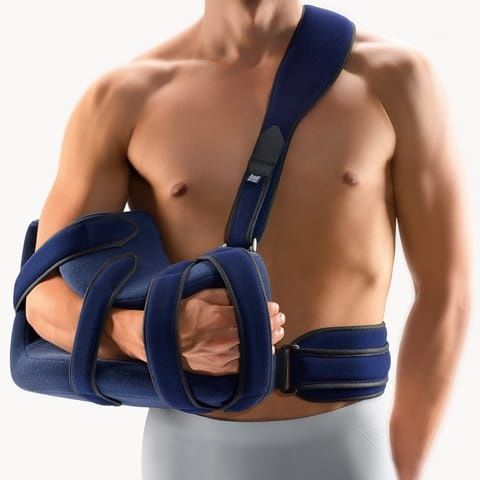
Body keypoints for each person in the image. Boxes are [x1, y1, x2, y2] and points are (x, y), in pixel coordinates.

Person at [24, 1, 471, 479]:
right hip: (188, 448)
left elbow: (447, 291)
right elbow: (42, 299)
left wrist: (408, 466)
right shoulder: (124, 97)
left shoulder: (395, 79)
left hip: (347, 443)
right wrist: (148, 334)